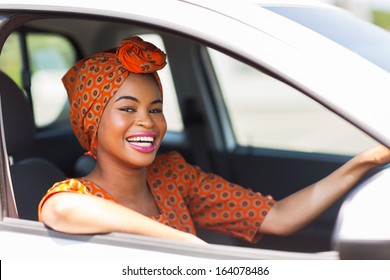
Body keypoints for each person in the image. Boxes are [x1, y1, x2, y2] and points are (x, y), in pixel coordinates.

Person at [38, 36, 390, 245]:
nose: (147, 121)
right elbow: (60, 209)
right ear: (91, 122)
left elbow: (279, 217)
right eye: (127, 109)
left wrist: (366, 161)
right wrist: (188, 245)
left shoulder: (173, 176)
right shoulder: (76, 196)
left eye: (156, 108)